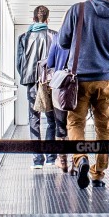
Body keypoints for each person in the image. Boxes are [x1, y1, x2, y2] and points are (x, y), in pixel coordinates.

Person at [57, 0, 109, 189]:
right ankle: (98, 175)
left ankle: (81, 158)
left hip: (79, 80)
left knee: (75, 123)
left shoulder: (77, 10)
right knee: (104, 128)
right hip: (105, 80)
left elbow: (63, 41)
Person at [16, 5, 57, 169]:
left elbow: (20, 63)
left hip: (32, 82)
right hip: (50, 83)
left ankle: (37, 159)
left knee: (34, 120)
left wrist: (27, 78)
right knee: (52, 120)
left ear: (33, 19)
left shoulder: (24, 38)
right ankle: (51, 157)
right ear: (47, 20)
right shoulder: (55, 36)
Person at [45, 39, 71, 174]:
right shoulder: (81, 37)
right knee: (76, 124)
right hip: (78, 87)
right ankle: (78, 159)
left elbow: (50, 63)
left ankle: (63, 161)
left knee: (60, 125)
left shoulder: (58, 40)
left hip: (61, 86)